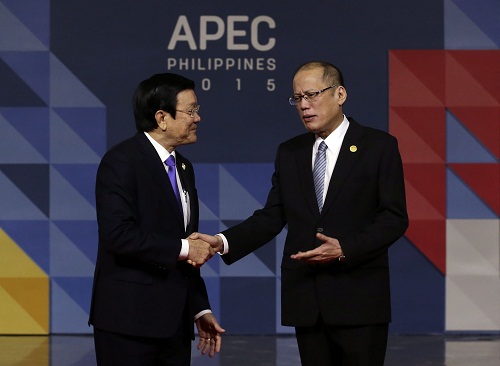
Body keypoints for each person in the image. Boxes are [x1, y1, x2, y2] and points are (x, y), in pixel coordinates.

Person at [191, 61, 408, 366]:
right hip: (307, 300)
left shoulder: (378, 146)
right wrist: (221, 242)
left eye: (312, 95)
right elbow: (272, 216)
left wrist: (345, 248)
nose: (304, 106)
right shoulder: (290, 152)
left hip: (359, 299)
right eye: (297, 99)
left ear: (340, 94)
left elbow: (394, 218)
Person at [89, 73, 224, 366]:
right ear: (162, 117)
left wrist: (199, 309)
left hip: (174, 325)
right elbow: (118, 235)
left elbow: (186, 241)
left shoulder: (184, 167)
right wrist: (187, 249)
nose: (197, 118)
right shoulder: (121, 161)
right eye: (191, 110)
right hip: (128, 323)